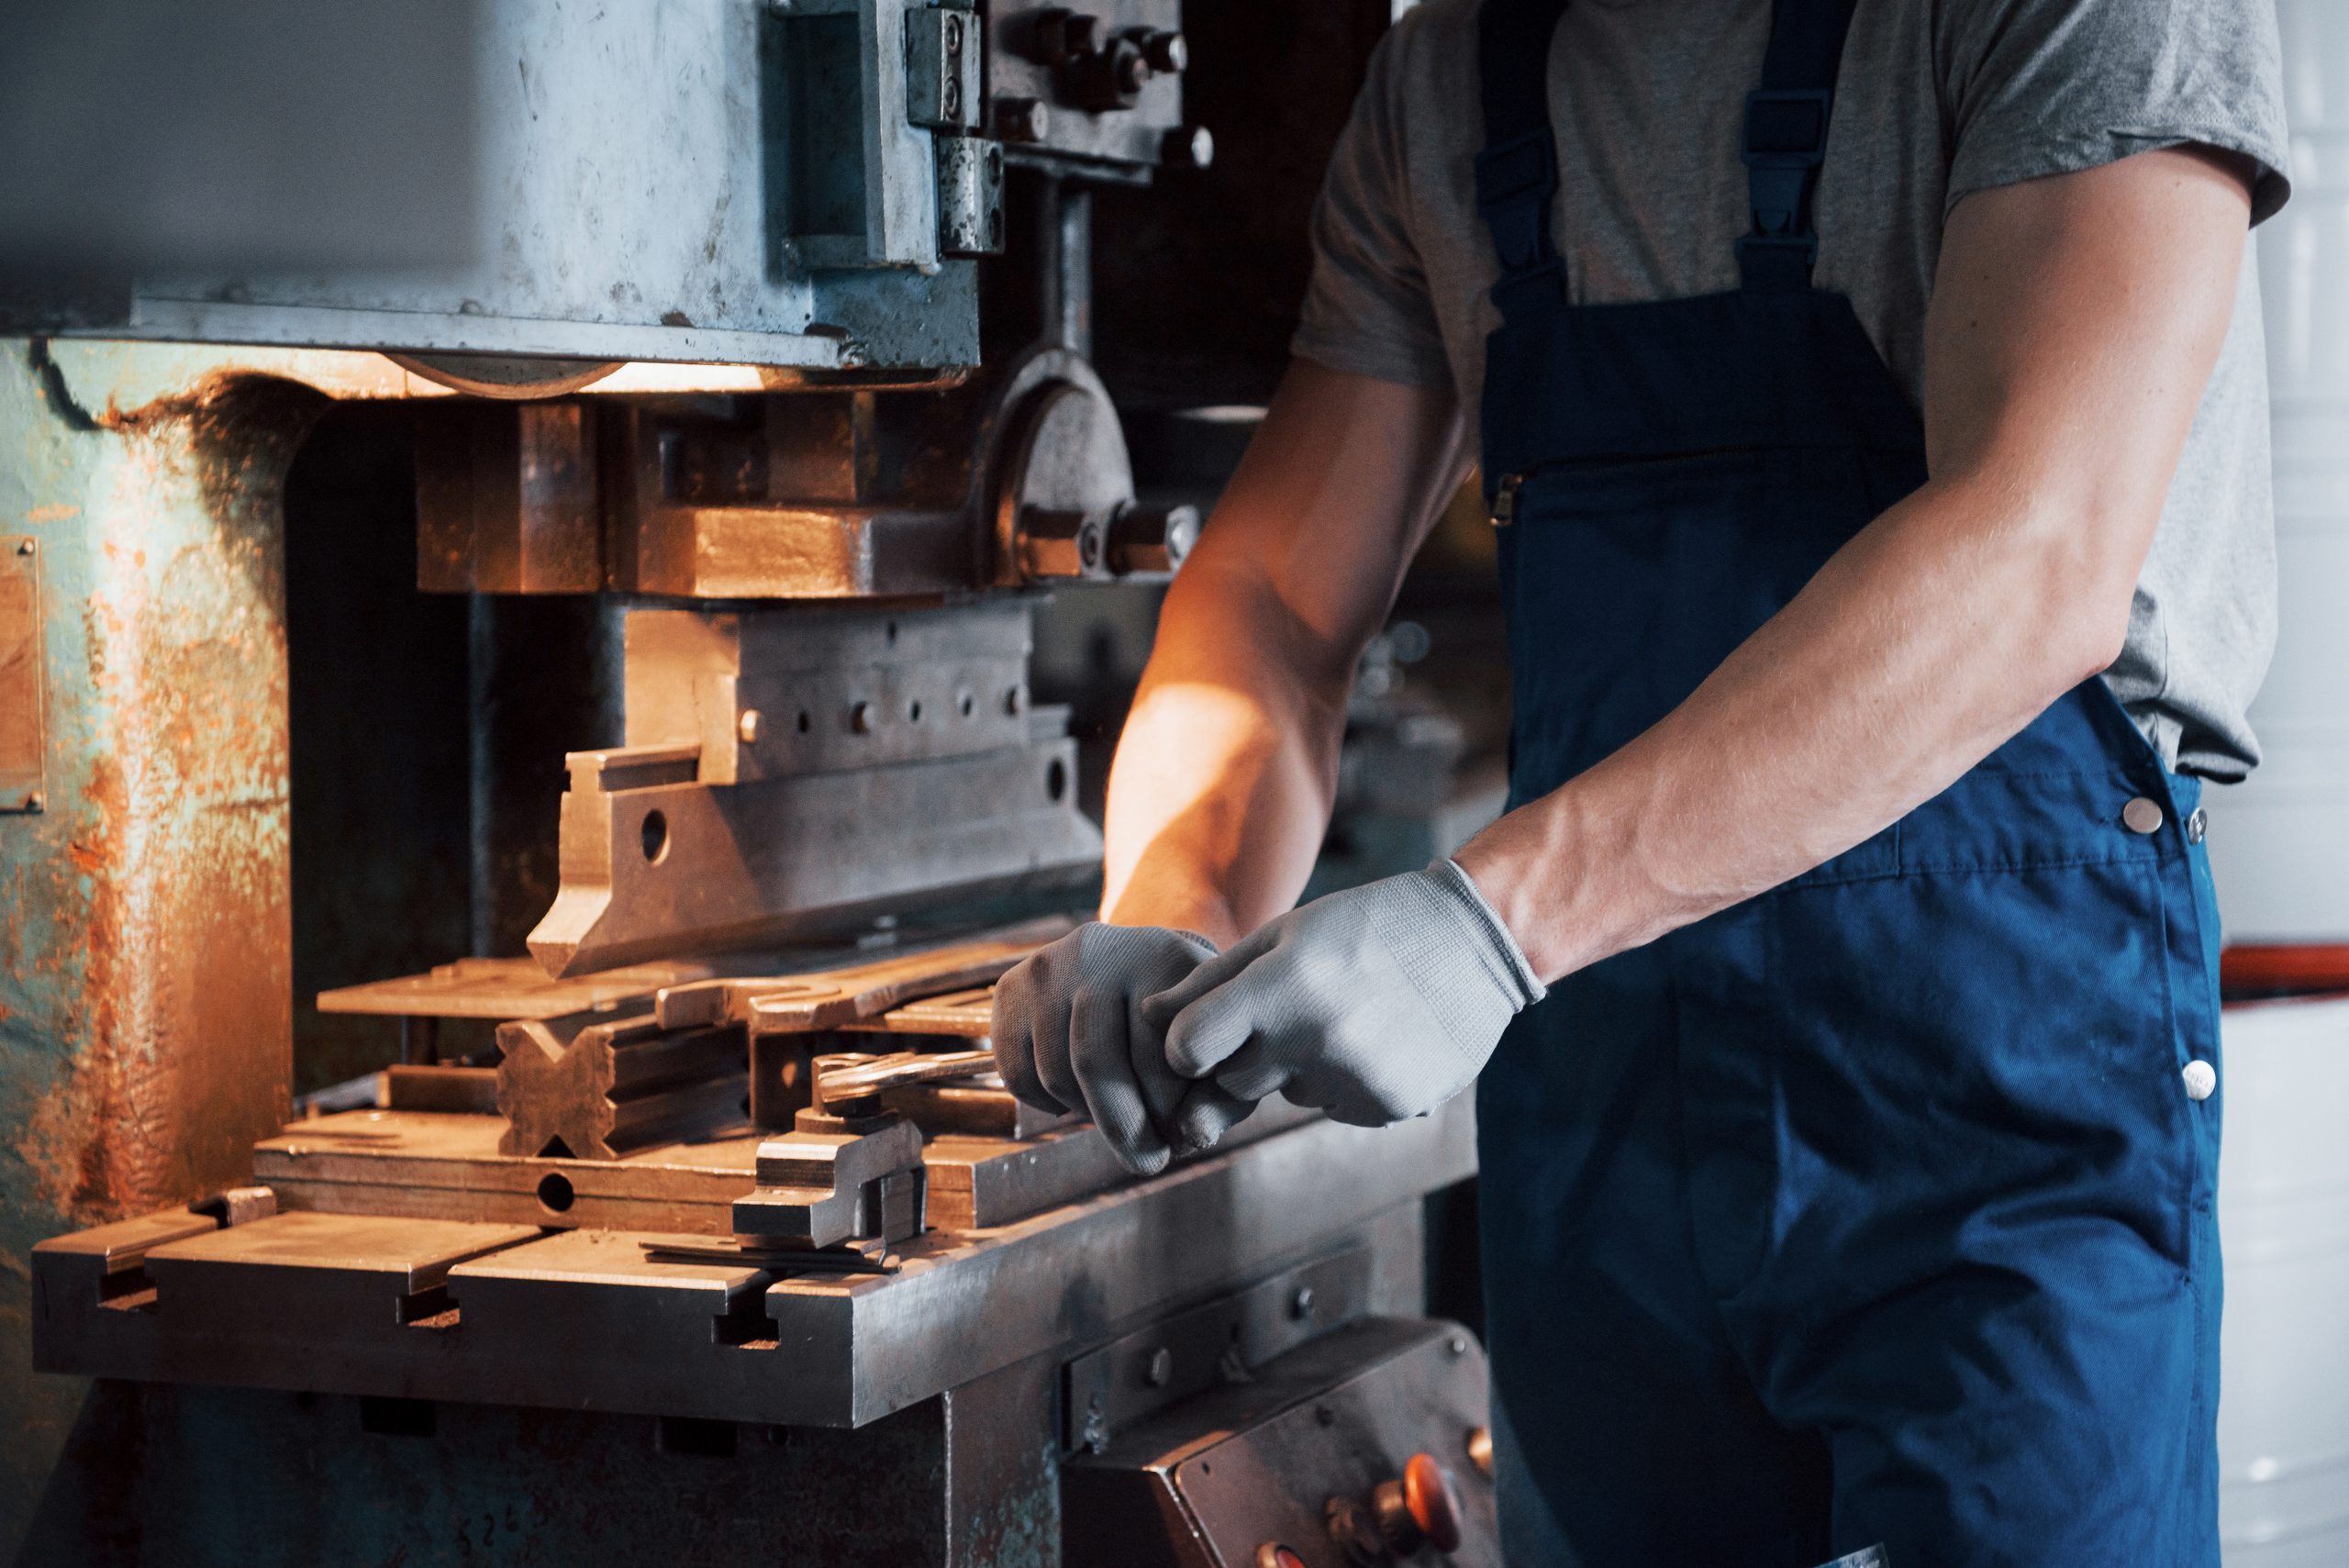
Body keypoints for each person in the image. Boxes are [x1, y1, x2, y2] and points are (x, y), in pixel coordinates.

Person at [992, 0, 2291, 1561]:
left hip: (1993, 1109)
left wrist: (1490, 925)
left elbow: (2036, 551)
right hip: (1614, 1133)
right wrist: (1176, 908)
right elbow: (1276, 606)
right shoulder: (1447, 81)